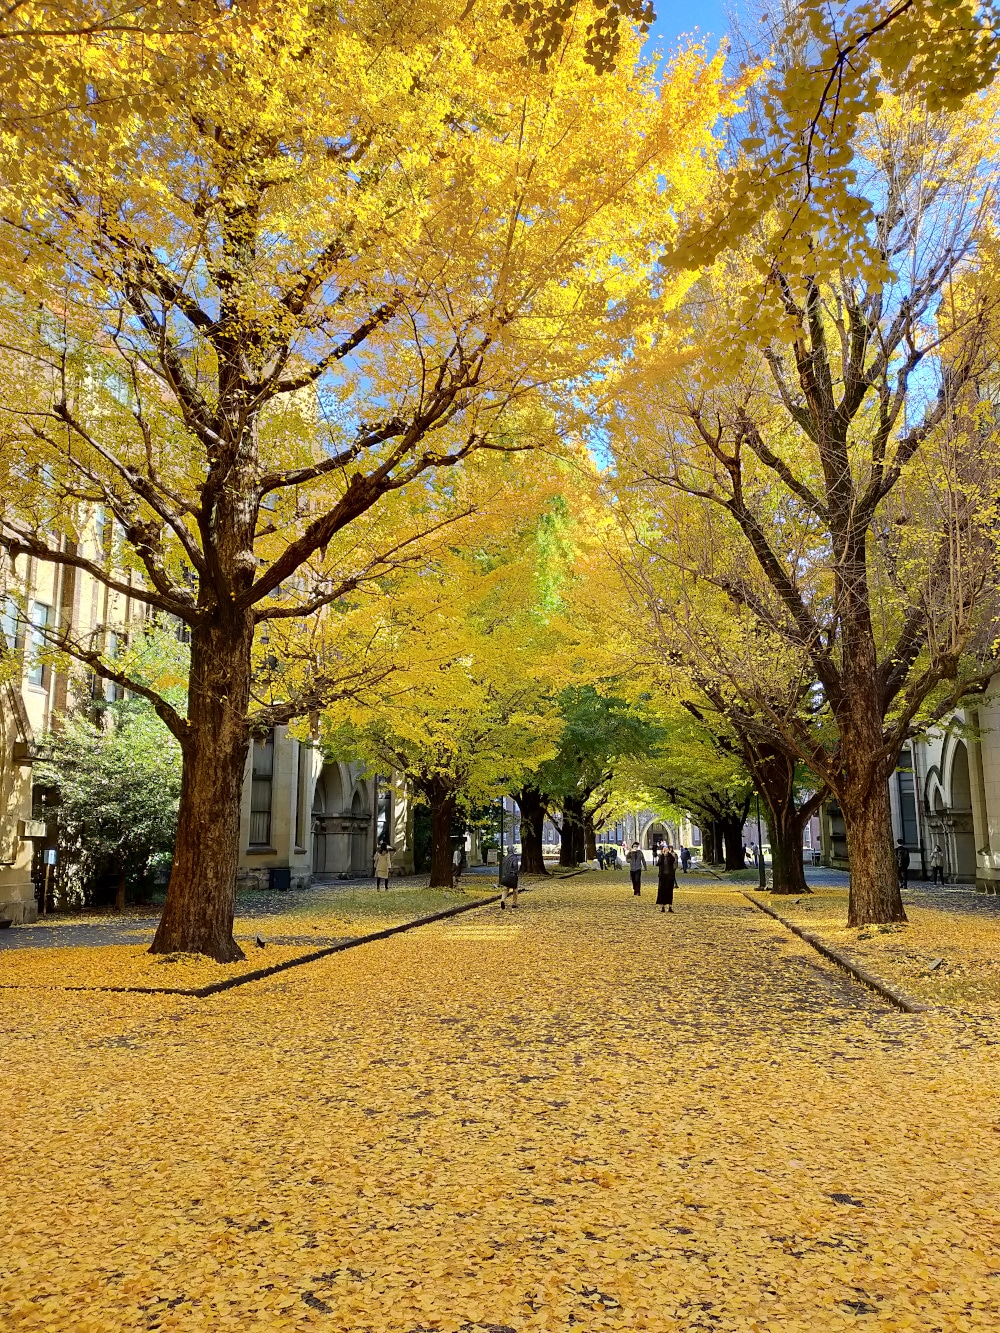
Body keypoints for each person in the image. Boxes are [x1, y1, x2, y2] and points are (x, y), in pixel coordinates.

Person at [656, 843, 677, 913]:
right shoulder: (661, 857)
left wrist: (669, 854)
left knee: (669, 891)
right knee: (662, 891)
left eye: (666, 850)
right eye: (664, 850)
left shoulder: (670, 857)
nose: (665, 851)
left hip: (669, 876)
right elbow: (658, 863)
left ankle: (670, 907)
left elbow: (673, 860)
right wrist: (662, 855)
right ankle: (663, 907)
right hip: (663, 876)